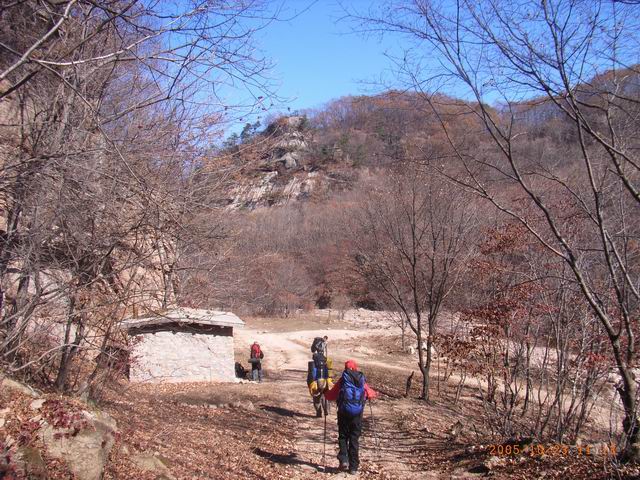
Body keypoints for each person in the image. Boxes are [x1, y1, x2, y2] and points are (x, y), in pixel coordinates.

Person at [324, 359, 378, 475]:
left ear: (345, 368)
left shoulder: (343, 380)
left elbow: (331, 395)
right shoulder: (361, 380)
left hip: (343, 413)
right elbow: (370, 393)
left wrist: (325, 394)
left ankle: (344, 459)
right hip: (357, 416)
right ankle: (353, 467)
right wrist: (369, 396)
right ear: (356, 367)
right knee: (354, 439)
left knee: (343, 437)